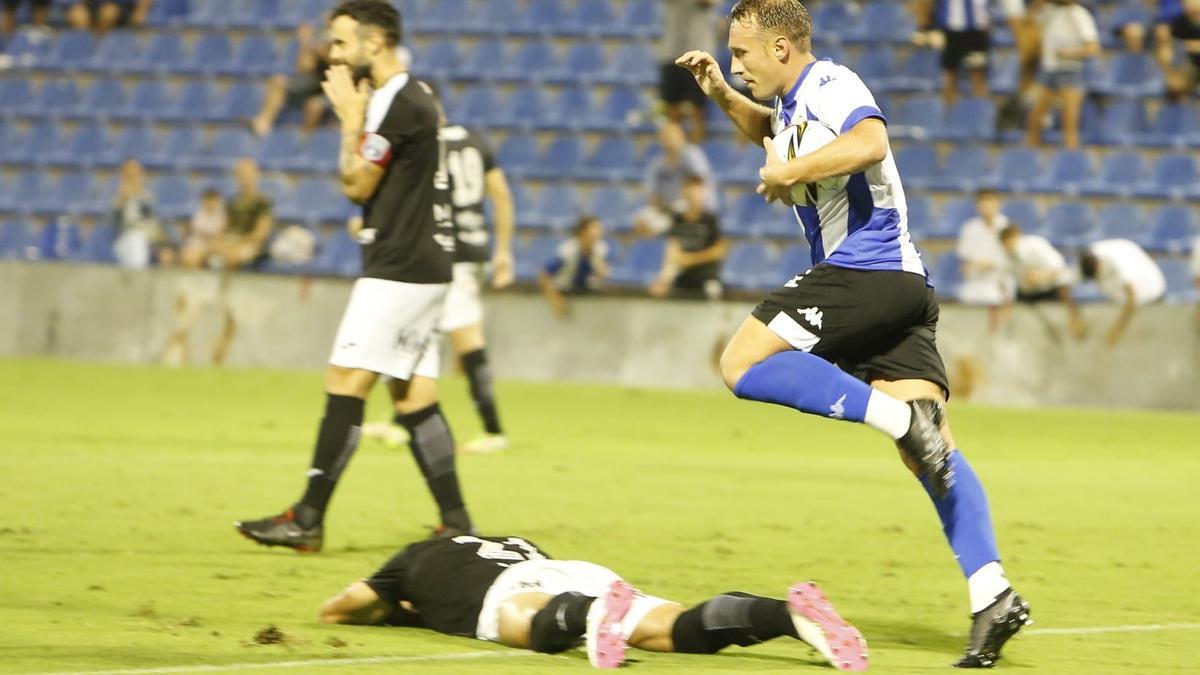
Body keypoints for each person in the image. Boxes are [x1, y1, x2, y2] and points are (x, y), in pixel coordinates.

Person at [676, 0, 1030, 667]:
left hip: (866, 272)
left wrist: (789, 172)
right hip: (900, 289)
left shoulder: (832, 84)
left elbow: (871, 142)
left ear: (782, 49)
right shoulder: (788, 106)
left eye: (742, 54)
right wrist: (723, 95)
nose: (736, 63)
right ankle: (994, 593)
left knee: (741, 361)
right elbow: (771, 132)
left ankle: (895, 418)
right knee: (932, 450)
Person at [236, 0, 475, 552]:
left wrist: (349, 120)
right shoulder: (415, 96)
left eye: (342, 43)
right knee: (413, 395)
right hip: (425, 263)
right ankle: (457, 519)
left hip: (400, 268)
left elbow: (356, 184)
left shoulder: (397, 101)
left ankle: (308, 517)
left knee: (346, 381)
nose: (332, 54)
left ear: (374, 44)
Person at [317, 534, 869, 672]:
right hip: (576, 571)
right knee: (675, 630)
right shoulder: (510, 541)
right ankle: (787, 615)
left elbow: (340, 609)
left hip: (520, 591)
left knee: (517, 619)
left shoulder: (413, 557)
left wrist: (397, 607)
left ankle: (582, 617)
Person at [364, 99, 517, 455]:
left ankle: (493, 430)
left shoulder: (427, 145)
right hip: (473, 247)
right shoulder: (475, 142)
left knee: (467, 340)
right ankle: (400, 421)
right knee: (418, 332)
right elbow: (502, 196)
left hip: (444, 248)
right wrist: (504, 251)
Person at [1025, 0, 1100, 149]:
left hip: (1070, 71)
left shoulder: (1080, 14)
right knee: (1034, 120)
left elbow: (1093, 48)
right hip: (1047, 70)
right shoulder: (1048, 11)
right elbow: (1029, 26)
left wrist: (1070, 53)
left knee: (1069, 122)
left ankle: (1071, 163)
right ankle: (1031, 163)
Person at [998, 223, 1085, 338]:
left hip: (1048, 289)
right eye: (1005, 245)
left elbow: (1060, 269)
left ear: (1018, 236)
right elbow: (1005, 281)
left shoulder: (1036, 245)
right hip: (1026, 293)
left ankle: (1074, 320)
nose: (1009, 247)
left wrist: (1042, 276)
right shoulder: (1005, 257)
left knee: (1064, 287)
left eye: (1010, 242)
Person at [633, 120, 718, 238]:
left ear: (681, 137)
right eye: (666, 137)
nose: (669, 141)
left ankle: (677, 242)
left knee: (677, 213)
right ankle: (657, 250)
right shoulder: (658, 163)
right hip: (667, 209)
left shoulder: (692, 156)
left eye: (672, 137)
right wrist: (660, 207)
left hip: (692, 206)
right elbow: (652, 195)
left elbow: (699, 188)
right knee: (641, 220)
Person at [649, 173, 727, 300]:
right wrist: (663, 279)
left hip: (706, 277)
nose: (694, 195)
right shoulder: (677, 219)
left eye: (698, 191)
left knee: (713, 291)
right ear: (684, 192)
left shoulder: (710, 220)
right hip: (682, 276)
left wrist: (689, 259)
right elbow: (672, 250)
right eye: (691, 191)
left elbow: (718, 251)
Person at [1079, 238, 1166, 346]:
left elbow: (1132, 297)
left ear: (1099, 264)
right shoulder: (1091, 252)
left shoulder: (1120, 263)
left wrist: (1117, 329)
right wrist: (1074, 318)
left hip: (1151, 290)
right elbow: (1065, 279)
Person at [252, 22, 332, 137]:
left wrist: (321, 52)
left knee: (314, 106)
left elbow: (337, 63)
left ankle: (304, 140)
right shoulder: (320, 37)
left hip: (335, 86)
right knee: (277, 81)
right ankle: (263, 122)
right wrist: (305, 44)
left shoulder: (341, 39)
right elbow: (304, 68)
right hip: (314, 82)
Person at [660, 0, 722, 142]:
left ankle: (695, 152)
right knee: (672, 109)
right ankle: (676, 153)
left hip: (699, 54)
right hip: (672, 53)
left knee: (697, 109)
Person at [956, 190, 1013, 334]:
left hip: (1000, 281)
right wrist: (972, 266)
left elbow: (1011, 259)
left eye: (990, 202)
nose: (986, 206)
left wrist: (990, 264)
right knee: (964, 297)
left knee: (995, 296)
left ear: (998, 204)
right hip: (976, 281)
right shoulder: (969, 228)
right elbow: (965, 261)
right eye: (983, 202)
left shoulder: (1007, 227)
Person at [209, 158, 273, 271]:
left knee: (232, 256)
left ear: (256, 175)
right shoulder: (232, 201)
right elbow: (225, 228)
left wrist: (238, 242)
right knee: (199, 253)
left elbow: (260, 234)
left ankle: (224, 287)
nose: (245, 179)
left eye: (248, 175)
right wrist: (219, 241)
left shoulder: (263, 203)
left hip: (252, 245)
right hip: (232, 242)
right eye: (241, 175)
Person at [539, 215, 609, 318]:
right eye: (594, 229)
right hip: (564, 292)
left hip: (587, 298)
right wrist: (555, 300)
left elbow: (603, 273)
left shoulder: (601, 250)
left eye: (599, 229)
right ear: (583, 232)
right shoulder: (567, 251)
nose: (598, 233)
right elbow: (544, 275)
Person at [109, 158, 169, 269]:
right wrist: (123, 201)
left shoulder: (147, 195)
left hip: (150, 239)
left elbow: (153, 220)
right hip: (125, 240)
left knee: (166, 253)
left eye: (136, 170)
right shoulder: (118, 197)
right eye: (129, 171)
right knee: (136, 240)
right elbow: (112, 225)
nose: (133, 174)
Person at [1157, 0, 1200, 99]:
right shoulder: (1180, 21)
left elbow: (1183, 45)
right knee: (1174, 84)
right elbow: (1171, 43)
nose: (1190, 5)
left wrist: (1188, 45)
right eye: (1186, 3)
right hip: (1188, 64)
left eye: (1193, 2)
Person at [180, 187, 227, 269]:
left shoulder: (223, 216)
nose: (210, 204)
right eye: (207, 201)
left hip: (214, 246)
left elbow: (220, 234)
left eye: (213, 201)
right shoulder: (197, 215)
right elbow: (189, 233)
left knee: (217, 259)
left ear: (218, 201)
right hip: (197, 245)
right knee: (189, 257)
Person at [67, 0, 150, 33]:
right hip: (97, 3)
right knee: (76, 14)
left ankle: (103, 43)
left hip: (122, 5)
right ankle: (85, 48)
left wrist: (141, 10)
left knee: (109, 13)